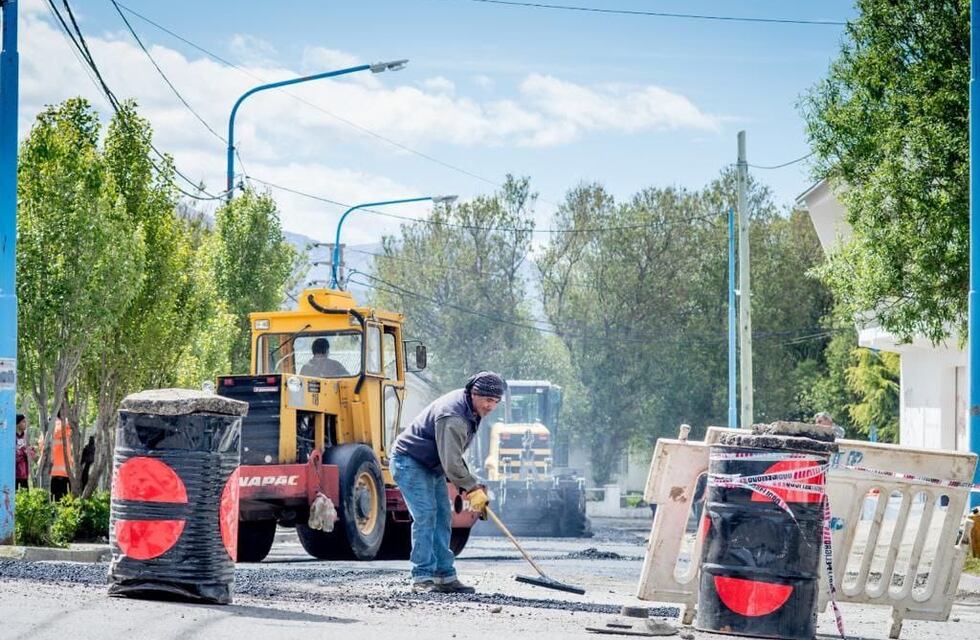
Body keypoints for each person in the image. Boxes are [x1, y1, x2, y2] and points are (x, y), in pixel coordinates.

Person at [391, 371, 505, 594]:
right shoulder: (453, 416)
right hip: (410, 461)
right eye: (488, 400)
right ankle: (422, 577)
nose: (491, 406)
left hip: (432, 464)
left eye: (496, 402)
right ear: (474, 393)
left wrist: (472, 487)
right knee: (426, 516)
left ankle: (445, 576)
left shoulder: (472, 409)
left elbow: (451, 458)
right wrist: (473, 489)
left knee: (443, 516)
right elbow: (452, 462)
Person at [49, 411, 73, 500]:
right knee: (63, 501)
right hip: (62, 473)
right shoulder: (61, 424)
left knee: (53, 500)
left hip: (52, 472)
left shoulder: (49, 426)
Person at [15, 414, 35, 490]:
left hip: (24, 474)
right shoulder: (11, 437)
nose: (25, 424)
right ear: (17, 424)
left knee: (25, 498)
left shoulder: (26, 437)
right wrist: (23, 451)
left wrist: (25, 451)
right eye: (23, 422)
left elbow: (32, 454)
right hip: (14, 474)